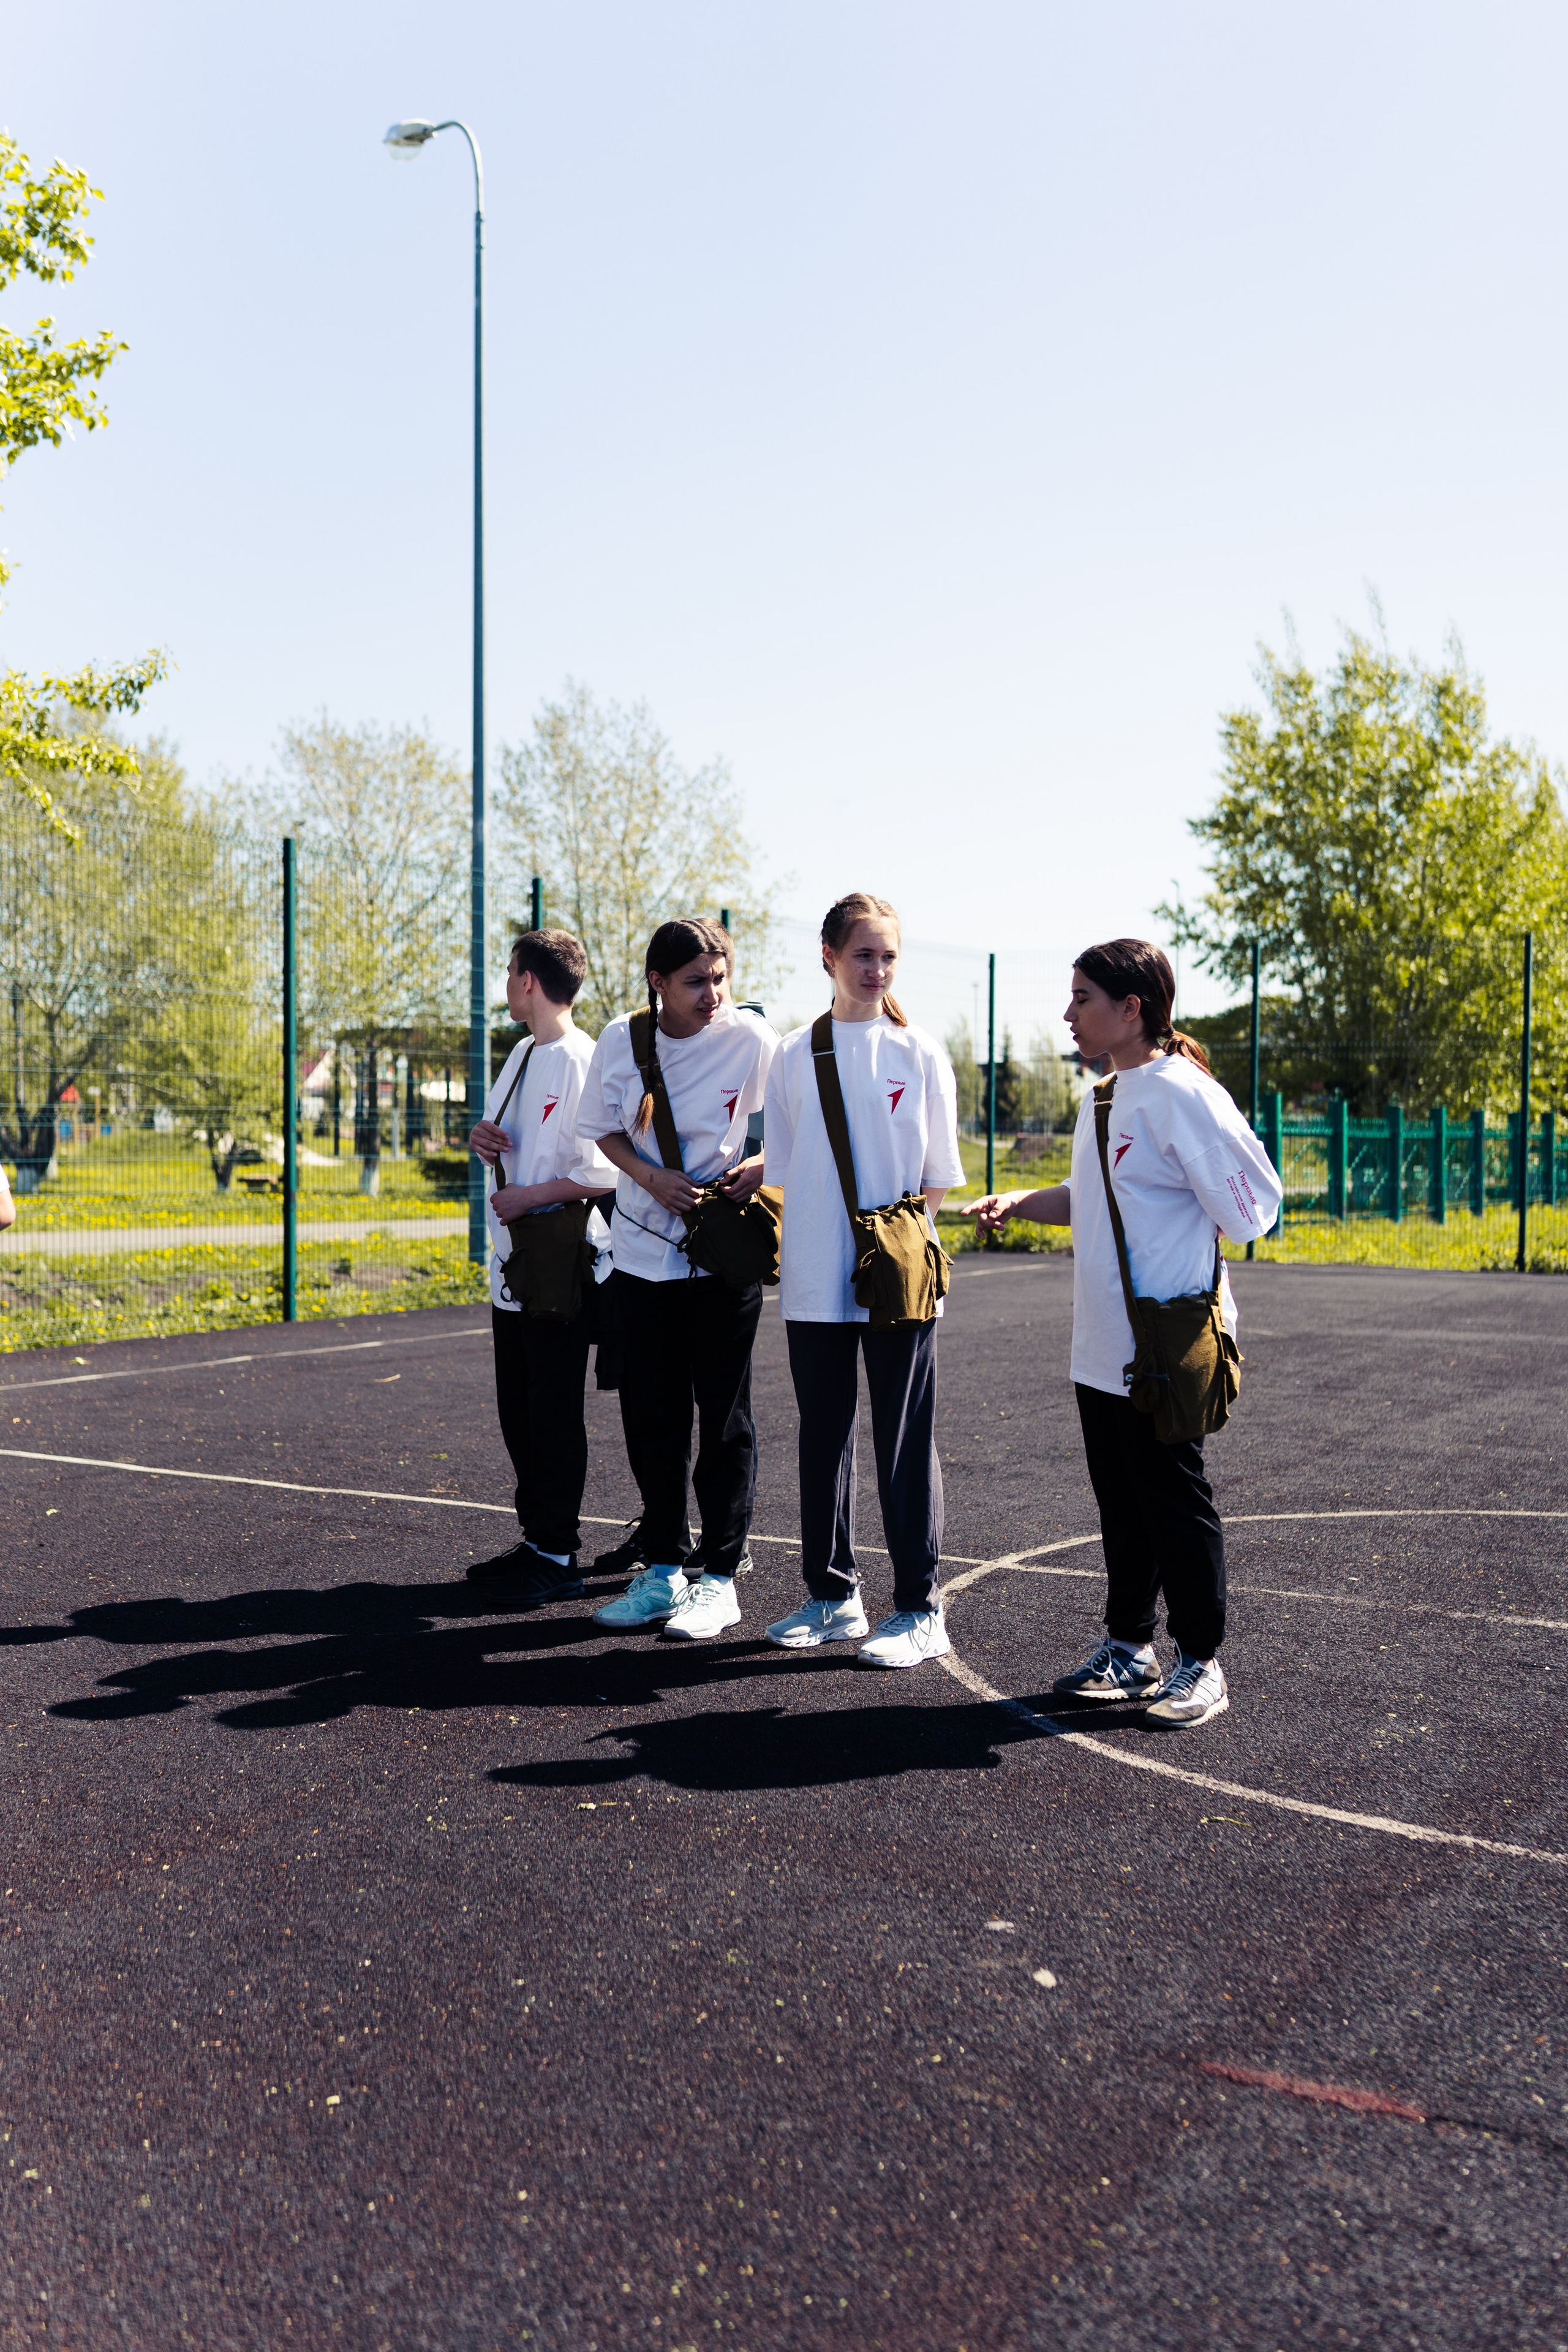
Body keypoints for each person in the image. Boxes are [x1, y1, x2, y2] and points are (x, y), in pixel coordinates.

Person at [964, 937, 1282, 1729]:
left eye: (1083, 999)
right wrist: (1022, 1201)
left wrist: (1197, 1223)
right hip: (1102, 1344)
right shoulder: (1107, 1095)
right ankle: (1129, 1647)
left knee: (1176, 1503)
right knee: (1123, 1504)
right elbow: (1095, 1193)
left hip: (1164, 1347)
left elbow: (1254, 1208)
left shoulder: (1180, 1092)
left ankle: (1202, 1662)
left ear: (1131, 1008)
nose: (1068, 1014)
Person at [761, 891, 965, 1670]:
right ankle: (833, 1595)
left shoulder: (918, 1054)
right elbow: (786, 1172)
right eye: (862, 955)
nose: (876, 970)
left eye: (887, 957)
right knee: (824, 1436)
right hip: (813, 1275)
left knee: (904, 1439)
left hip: (898, 1281)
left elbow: (937, 1177)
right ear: (828, 958)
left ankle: (919, 1606)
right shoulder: (788, 1055)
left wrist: (895, 1246)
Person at [574, 918, 778, 1640]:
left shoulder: (752, 1040)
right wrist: (649, 1177)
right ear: (657, 983)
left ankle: (718, 1579)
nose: (713, 995)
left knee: (724, 1418)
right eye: (695, 981)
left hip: (720, 1258)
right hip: (639, 1255)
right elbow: (601, 1128)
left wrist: (760, 1165)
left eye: (720, 979)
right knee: (652, 1416)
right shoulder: (618, 1040)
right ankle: (662, 1569)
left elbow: (791, 1118)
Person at [466, 929, 616, 1606]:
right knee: (519, 1409)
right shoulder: (523, 1052)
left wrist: (529, 1194)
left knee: (554, 1409)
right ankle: (536, 1538)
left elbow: (601, 1173)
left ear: (528, 981)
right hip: (516, 1263)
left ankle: (558, 1553)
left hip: (563, 1262)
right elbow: (501, 1140)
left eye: (508, 972)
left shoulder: (585, 1059)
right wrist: (482, 1140)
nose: (505, 983)